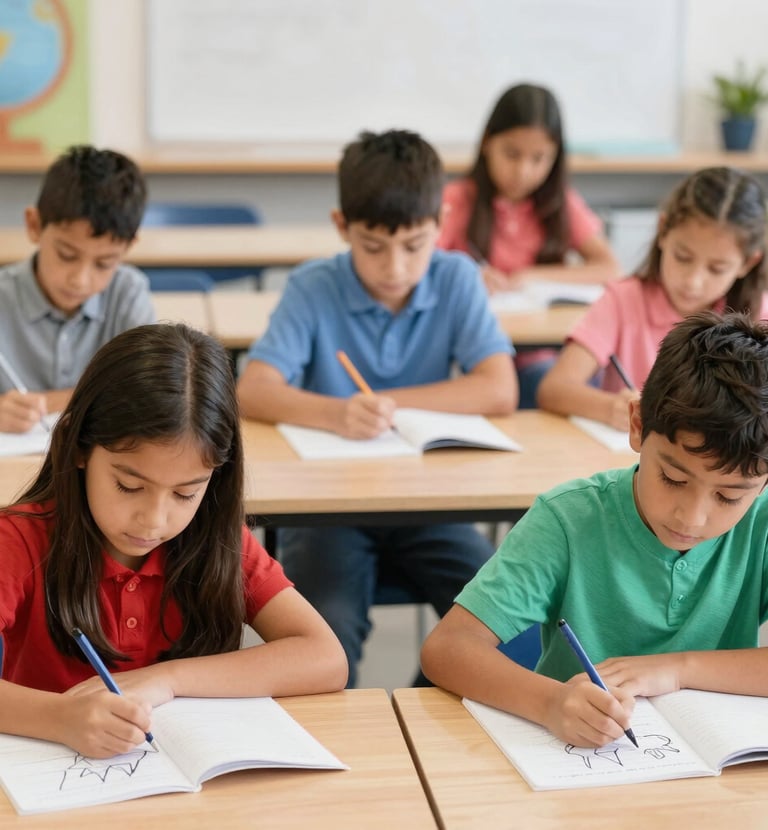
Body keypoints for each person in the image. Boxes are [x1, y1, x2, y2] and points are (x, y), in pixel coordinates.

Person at [237, 128, 518, 687]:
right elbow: (253, 388)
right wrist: (336, 413)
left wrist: (391, 405)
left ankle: (421, 713)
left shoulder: (456, 277)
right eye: (373, 247)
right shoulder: (313, 286)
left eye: (414, 245)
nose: (394, 266)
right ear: (342, 225)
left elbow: (499, 388)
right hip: (328, 510)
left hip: (430, 503)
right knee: (326, 639)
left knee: (505, 625)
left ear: (441, 223)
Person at [422, 311, 768, 748]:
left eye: (729, 497)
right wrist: (550, 702)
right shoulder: (569, 519)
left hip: (718, 762)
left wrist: (678, 669)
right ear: (637, 425)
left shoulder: (761, 521)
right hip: (578, 758)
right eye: (673, 479)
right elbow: (448, 648)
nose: (692, 518)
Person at [0, 323, 347, 759]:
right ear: (77, 446)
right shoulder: (19, 540)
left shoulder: (216, 541)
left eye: (185, 494)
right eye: (129, 486)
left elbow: (325, 658)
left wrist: (167, 679)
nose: (154, 519)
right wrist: (59, 718)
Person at [538, 166, 768, 430]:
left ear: (747, 263)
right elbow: (554, 388)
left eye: (717, 269)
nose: (693, 281)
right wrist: (611, 408)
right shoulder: (623, 300)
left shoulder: (760, 315)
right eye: (682, 257)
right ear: (663, 231)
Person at [436, 83, 620, 408]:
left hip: (548, 348)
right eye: (511, 154)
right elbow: (421, 264)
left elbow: (609, 268)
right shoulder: (457, 199)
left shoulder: (560, 203)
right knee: (550, 385)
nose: (523, 171)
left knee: (587, 377)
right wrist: (468, 276)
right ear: (487, 143)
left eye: (539, 158)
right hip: (486, 355)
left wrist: (530, 275)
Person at [0, 145, 156, 435]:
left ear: (127, 247)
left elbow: (145, 391)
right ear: (34, 225)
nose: (80, 280)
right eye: (67, 255)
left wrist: (48, 402)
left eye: (104, 263)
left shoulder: (128, 292)